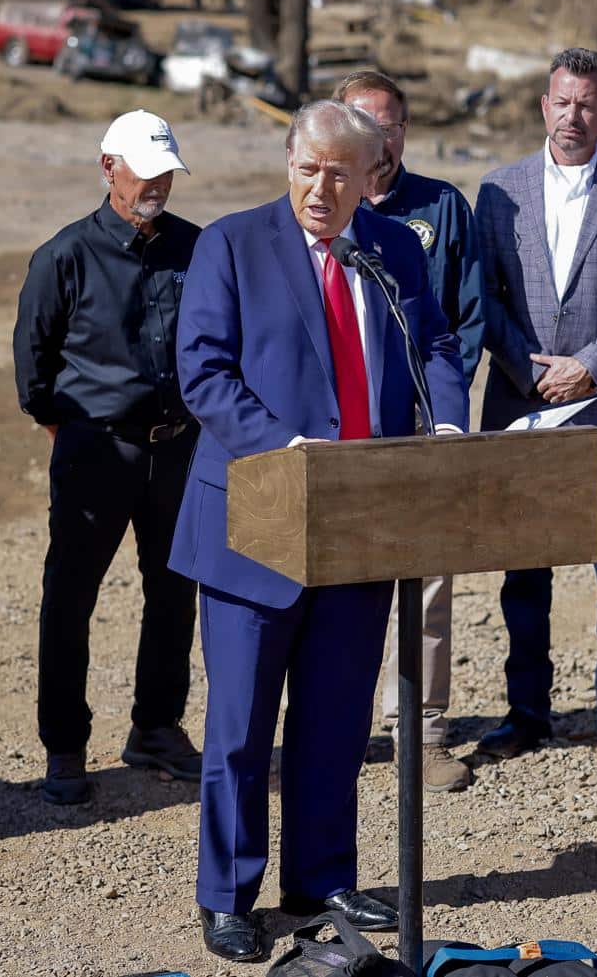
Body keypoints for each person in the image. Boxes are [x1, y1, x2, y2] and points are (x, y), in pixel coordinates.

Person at [171, 100, 468, 963]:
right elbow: (204, 369)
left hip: (359, 520)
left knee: (336, 716)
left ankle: (322, 875)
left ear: (371, 177)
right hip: (254, 519)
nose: (322, 188)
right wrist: (283, 445)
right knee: (240, 725)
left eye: (342, 173)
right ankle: (228, 894)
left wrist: (445, 426)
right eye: (309, 168)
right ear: (288, 162)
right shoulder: (231, 243)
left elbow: (437, 342)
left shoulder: (394, 247)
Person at [474, 47, 597, 777]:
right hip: (523, 405)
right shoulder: (499, 191)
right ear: (543, 104)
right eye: (562, 101)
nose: (573, 115)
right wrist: (526, 363)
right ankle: (527, 712)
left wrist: (589, 365)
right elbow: (485, 296)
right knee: (524, 574)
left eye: (588, 104)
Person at [13, 110, 204, 806]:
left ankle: (156, 727)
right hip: (94, 448)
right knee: (70, 597)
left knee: (174, 590)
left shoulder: (197, 248)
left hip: (178, 448)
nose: (156, 184)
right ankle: (64, 745)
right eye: (144, 171)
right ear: (108, 168)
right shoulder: (64, 255)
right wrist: (62, 428)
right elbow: (32, 366)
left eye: (165, 173)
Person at [335, 69, 484, 793]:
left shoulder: (442, 208)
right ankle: (337, 725)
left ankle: (420, 731)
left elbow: (464, 316)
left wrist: (443, 407)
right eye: (364, 120)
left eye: (391, 123)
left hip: (424, 427)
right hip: (344, 434)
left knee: (425, 581)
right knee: (344, 575)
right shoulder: (318, 211)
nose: (379, 135)